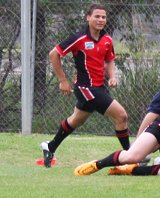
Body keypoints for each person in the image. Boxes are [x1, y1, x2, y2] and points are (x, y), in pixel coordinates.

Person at [40, 4, 130, 168]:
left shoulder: (107, 39)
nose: (101, 20)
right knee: (121, 116)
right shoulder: (79, 38)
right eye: (97, 16)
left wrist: (112, 77)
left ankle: (50, 147)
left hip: (99, 87)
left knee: (75, 121)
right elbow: (54, 54)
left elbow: (109, 59)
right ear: (88, 18)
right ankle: (131, 156)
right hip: (85, 88)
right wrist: (62, 81)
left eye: (103, 17)